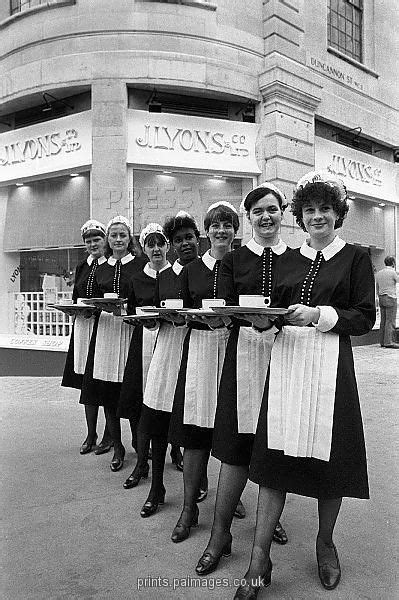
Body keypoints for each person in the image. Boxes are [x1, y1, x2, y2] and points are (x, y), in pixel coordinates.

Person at [233, 171, 375, 599]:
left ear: (339, 214)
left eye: (325, 210)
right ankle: (259, 558)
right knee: (273, 457)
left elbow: (366, 317)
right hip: (288, 364)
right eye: (309, 210)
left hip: (331, 368)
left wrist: (319, 316)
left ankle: (325, 543)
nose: (317, 217)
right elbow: (272, 310)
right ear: (300, 215)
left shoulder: (355, 257)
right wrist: (260, 320)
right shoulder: (288, 258)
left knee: (330, 459)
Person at [195, 183, 289, 577]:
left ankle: (265, 534)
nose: (265, 217)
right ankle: (219, 535)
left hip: (286, 357)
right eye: (257, 211)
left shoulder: (298, 259)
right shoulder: (233, 260)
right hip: (243, 355)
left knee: (274, 446)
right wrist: (218, 317)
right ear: (248, 218)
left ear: (282, 213)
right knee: (234, 447)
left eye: (272, 209)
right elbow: (227, 306)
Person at [168, 201, 239, 543]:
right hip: (199, 348)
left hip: (234, 348)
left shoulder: (243, 265)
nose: (221, 230)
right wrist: (182, 317)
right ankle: (188, 508)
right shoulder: (191, 270)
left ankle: (234, 497)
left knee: (236, 428)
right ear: (206, 231)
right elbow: (182, 311)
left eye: (228, 225)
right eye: (216, 225)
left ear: (234, 230)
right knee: (195, 429)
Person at [136, 211, 201, 517]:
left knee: (200, 420)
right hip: (169, 349)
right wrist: (153, 319)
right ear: (171, 245)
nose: (185, 243)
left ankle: (202, 482)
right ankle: (157, 486)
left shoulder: (209, 269)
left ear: (197, 238)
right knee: (159, 417)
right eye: (178, 239)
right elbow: (152, 317)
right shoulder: (165, 275)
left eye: (189, 237)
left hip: (201, 350)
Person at [80, 215, 145, 472]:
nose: (118, 240)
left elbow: (145, 295)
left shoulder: (139, 264)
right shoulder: (101, 266)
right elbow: (92, 298)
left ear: (130, 239)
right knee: (107, 393)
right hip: (106, 331)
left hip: (129, 330)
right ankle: (117, 446)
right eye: (114, 235)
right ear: (108, 239)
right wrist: (88, 309)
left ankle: (140, 445)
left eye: (123, 235)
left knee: (133, 390)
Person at [118, 223, 171, 490]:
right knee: (138, 404)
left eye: (160, 243)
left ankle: (175, 454)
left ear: (167, 246)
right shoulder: (136, 278)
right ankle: (141, 463)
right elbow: (129, 313)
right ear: (144, 248)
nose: (156, 248)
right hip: (142, 345)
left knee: (166, 404)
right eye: (151, 244)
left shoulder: (177, 276)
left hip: (170, 345)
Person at [61, 219, 112, 455]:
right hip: (84, 328)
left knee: (104, 382)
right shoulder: (82, 267)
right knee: (86, 384)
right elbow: (76, 297)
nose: (93, 244)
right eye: (89, 241)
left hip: (104, 328)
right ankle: (90, 433)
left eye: (97, 240)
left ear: (105, 241)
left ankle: (109, 435)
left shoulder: (111, 265)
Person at [376, 256, 399, 348]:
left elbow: (377, 287)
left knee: (383, 320)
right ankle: (389, 342)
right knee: (390, 321)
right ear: (393, 263)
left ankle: (382, 341)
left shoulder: (379, 273)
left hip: (381, 298)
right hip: (390, 297)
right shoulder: (392, 273)